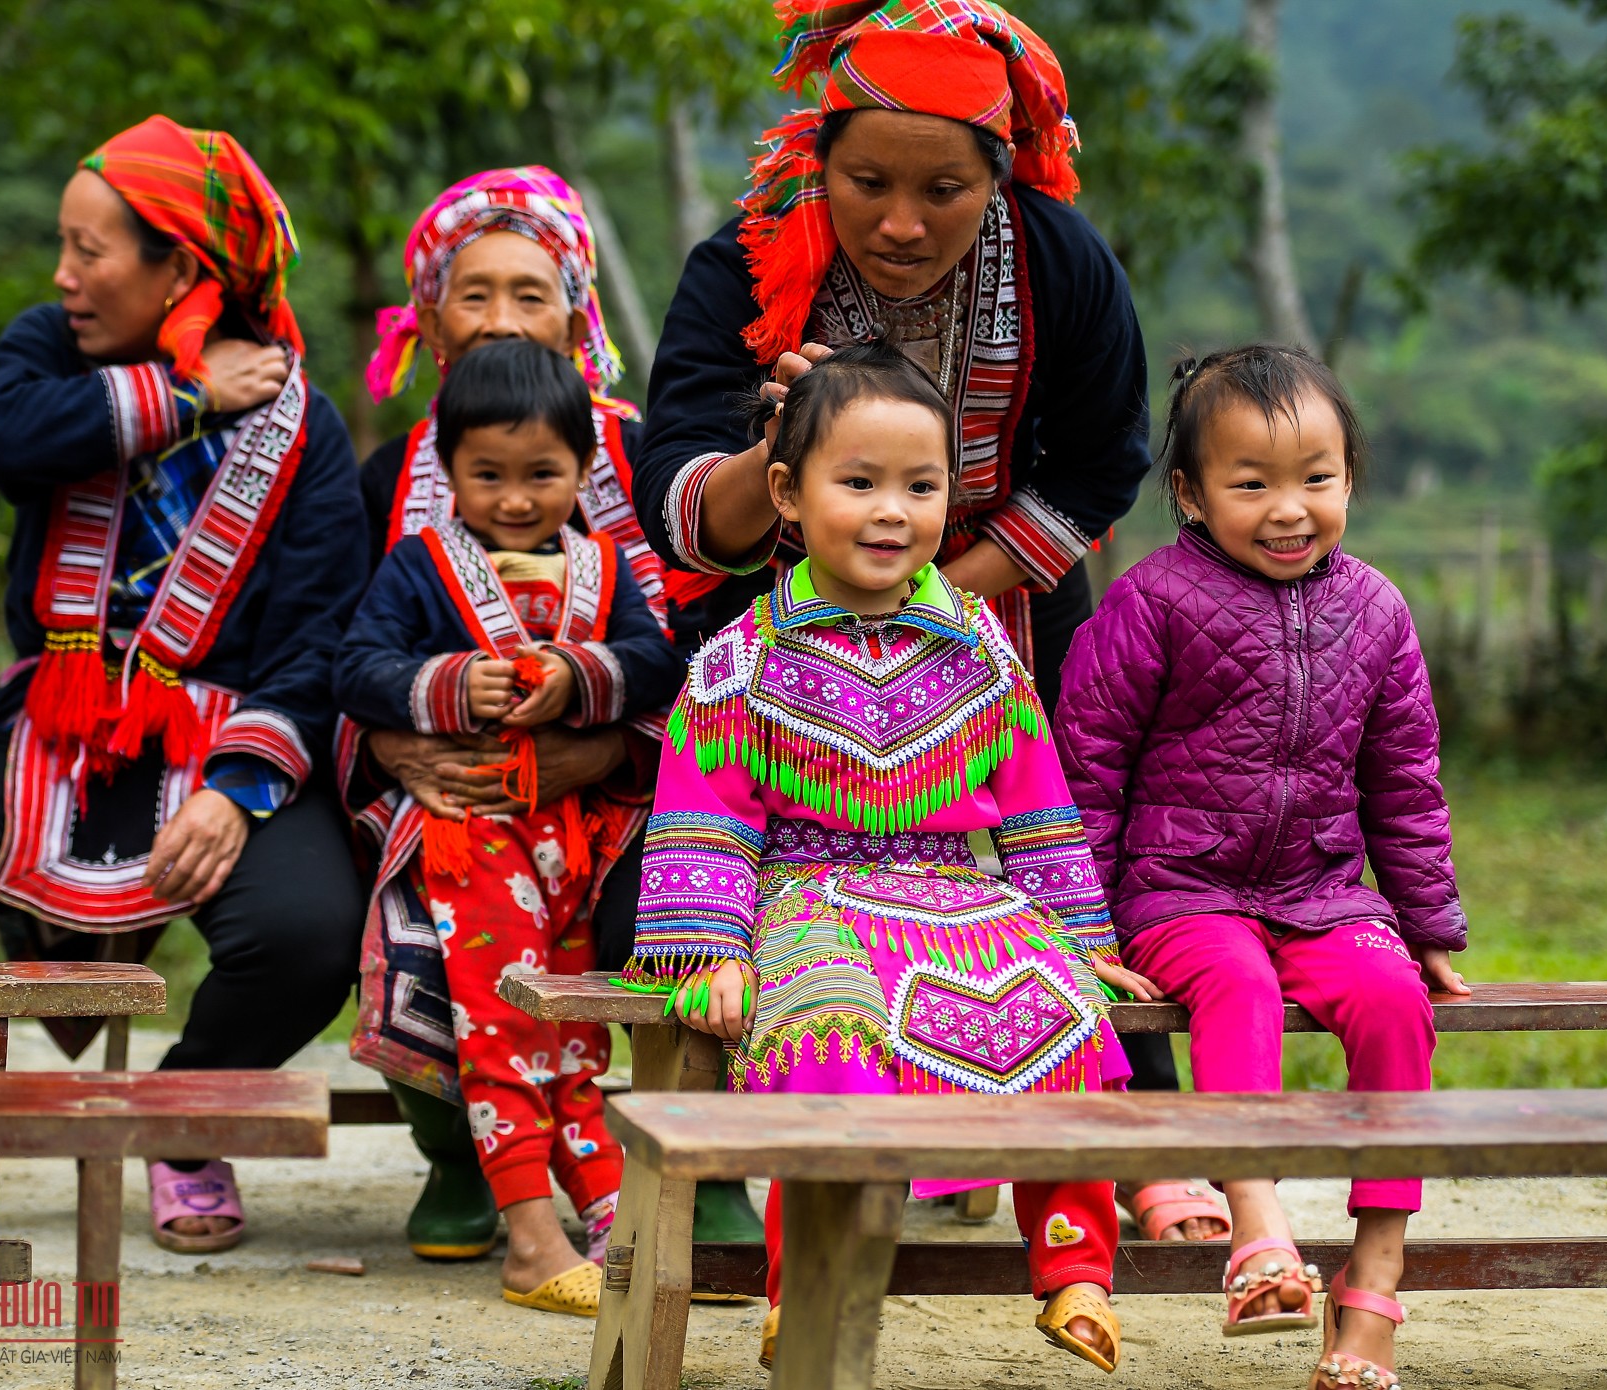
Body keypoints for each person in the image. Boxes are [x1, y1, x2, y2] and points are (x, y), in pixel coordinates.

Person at [632, 0, 1220, 1240]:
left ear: (996, 180)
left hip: (998, 584)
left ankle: (1131, 1138)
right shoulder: (737, 267)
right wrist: (770, 450)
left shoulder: (1060, 260)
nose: (901, 223)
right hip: (782, 614)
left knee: (1072, 830)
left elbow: (1105, 458)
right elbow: (678, 502)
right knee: (710, 842)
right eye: (867, 183)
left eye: (943, 189)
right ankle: (731, 1166)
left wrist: (948, 591)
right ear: (815, 158)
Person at [0, 115, 368, 1255]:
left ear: (181, 270)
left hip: (217, 746)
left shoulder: (302, 427)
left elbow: (313, 643)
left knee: (312, 931)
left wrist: (237, 790)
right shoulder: (52, 356)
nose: (62, 276)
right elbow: (12, 440)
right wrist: (185, 396)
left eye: (90, 251)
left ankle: (178, 1120)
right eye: (62, 246)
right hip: (53, 739)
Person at [630, 342, 1157, 1374]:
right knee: (821, 1038)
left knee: (1055, 1010)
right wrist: (710, 951)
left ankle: (1074, 1268)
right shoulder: (744, 657)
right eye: (857, 482)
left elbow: (1035, 801)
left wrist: (1081, 937)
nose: (889, 511)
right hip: (804, 897)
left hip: (962, 896)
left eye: (918, 486)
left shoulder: (979, 648)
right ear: (786, 492)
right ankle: (806, 1289)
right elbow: (707, 814)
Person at [349, 165, 758, 1260]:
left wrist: (597, 729)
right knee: (422, 922)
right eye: (470, 292)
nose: (498, 319)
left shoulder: (636, 455)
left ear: (576, 309)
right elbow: (347, 652)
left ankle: (697, 1161)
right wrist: (403, 736)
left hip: (635, 786)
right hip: (456, 792)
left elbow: (701, 652)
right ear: (431, 313)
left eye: (528, 292)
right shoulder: (395, 475)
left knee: (677, 900)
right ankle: (467, 1159)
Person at [1056, 345, 1471, 1390]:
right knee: (1234, 986)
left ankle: (1374, 1269)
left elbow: (1404, 779)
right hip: (1179, 891)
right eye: (1251, 484)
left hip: (1323, 890)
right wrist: (1086, 925)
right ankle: (1258, 1228)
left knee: (1390, 1000)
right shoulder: (1150, 603)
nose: (1289, 508)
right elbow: (1089, 767)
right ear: (1191, 494)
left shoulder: (1376, 611)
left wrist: (1425, 923)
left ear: (1348, 477)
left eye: (1315, 479)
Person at [336, 340, 683, 1317]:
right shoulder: (418, 566)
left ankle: (611, 1210)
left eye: (544, 473)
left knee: (571, 1025)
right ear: (448, 471)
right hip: (469, 829)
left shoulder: (606, 567)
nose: (518, 497)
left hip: (576, 836)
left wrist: (581, 679)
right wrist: (445, 684)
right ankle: (530, 1229)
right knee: (503, 1020)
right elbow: (356, 666)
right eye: (488, 474)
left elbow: (654, 665)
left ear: (585, 469)